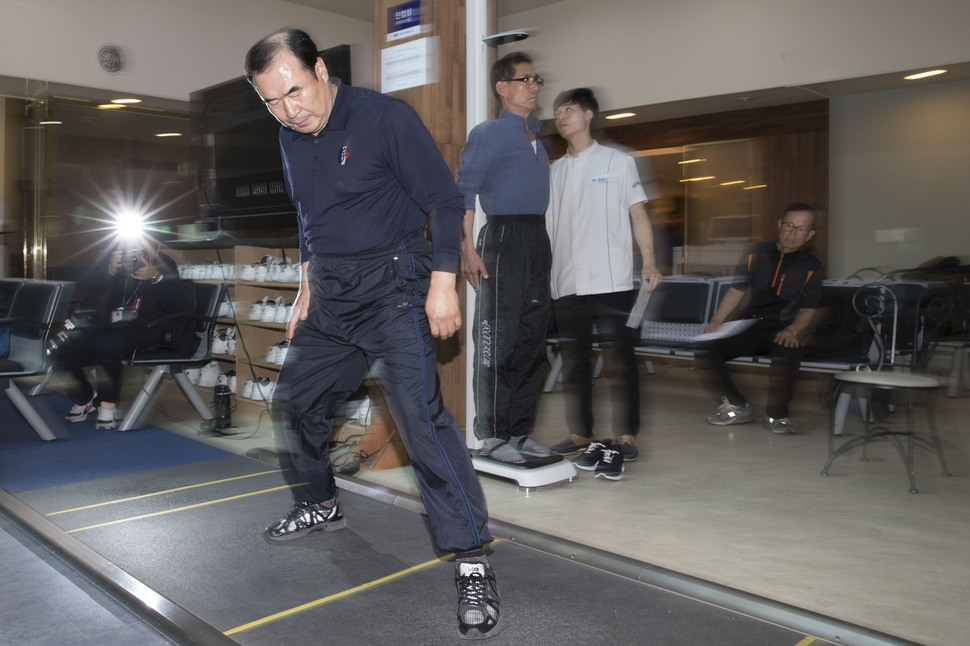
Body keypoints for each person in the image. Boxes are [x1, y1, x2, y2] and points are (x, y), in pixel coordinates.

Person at [244, 29, 500, 639]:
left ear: (321, 70)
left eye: (295, 92)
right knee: (296, 405)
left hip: (394, 289)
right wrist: (307, 285)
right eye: (272, 102)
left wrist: (443, 283)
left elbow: (444, 199)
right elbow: (309, 217)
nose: (289, 110)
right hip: (332, 296)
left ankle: (472, 561)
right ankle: (321, 502)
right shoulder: (289, 135)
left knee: (423, 424)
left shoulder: (386, 119)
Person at [542, 88, 663, 476]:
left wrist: (650, 261)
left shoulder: (618, 162)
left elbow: (638, 214)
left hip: (612, 280)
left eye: (570, 110)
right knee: (575, 362)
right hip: (567, 282)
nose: (562, 117)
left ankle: (626, 435)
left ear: (589, 114)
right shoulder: (553, 171)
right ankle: (581, 435)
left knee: (621, 360)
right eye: (558, 112)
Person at [456, 52, 552, 465]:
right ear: (503, 87)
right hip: (503, 237)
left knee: (532, 340)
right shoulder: (489, 133)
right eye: (525, 79)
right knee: (498, 340)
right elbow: (463, 193)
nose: (533, 86)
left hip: (536, 239)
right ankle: (492, 435)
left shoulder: (539, 139)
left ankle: (518, 431)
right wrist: (467, 249)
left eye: (536, 80)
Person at [699, 203, 824, 433]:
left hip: (783, 327)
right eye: (789, 225)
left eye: (801, 228)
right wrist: (717, 320)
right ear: (779, 225)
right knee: (708, 350)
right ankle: (738, 405)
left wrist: (793, 330)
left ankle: (777, 416)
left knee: (790, 351)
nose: (793, 233)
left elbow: (808, 309)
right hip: (751, 324)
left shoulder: (812, 267)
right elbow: (738, 289)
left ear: (810, 234)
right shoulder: (757, 253)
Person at [59, 241, 193, 430]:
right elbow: (86, 290)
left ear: (156, 248)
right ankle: (85, 397)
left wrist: (157, 277)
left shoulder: (163, 264)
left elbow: (179, 306)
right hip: (108, 324)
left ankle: (107, 403)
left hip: (146, 328)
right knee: (62, 347)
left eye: (143, 247)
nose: (136, 252)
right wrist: (109, 272)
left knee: (106, 345)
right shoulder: (115, 259)